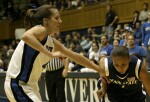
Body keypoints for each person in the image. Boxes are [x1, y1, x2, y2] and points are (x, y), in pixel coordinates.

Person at [4, 5, 105, 102]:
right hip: (18, 83)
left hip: (31, 86)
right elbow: (25, 36)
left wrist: (99, 70)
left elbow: (75, 56)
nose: (60, 21)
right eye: (57, 18)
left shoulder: (52, 43)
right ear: (46, 21)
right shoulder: (41, 29)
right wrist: (50, 54)